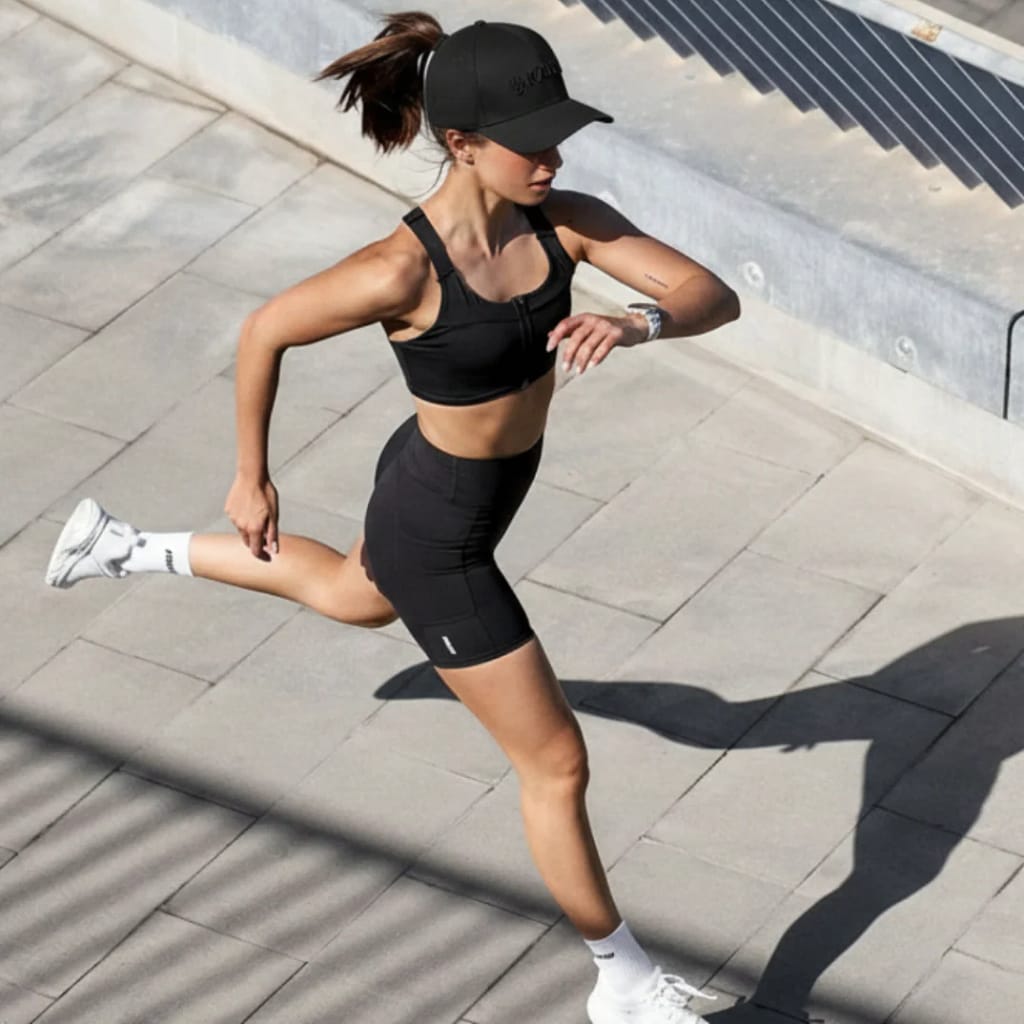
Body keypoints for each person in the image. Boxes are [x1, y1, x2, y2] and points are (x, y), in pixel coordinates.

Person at [45, 12, 740, 1023]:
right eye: (531, 140)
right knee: (554, 761)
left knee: (352, 596)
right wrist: (252, 477)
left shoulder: (566, 219)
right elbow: (265, 328)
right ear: (462, 143)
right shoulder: (398, 271)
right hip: (442, 536)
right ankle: (622, 980)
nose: (552, 157)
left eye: (558, 135)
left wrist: (638, 320)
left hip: (445, 480)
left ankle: (122, 544)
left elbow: (707, 293)